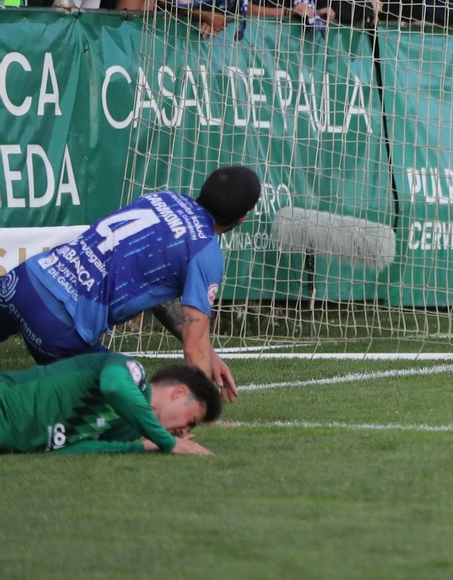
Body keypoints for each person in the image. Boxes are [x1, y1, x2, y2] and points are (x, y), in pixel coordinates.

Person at [0, 165, 259, 400]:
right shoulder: (206, 252)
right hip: (60, 325)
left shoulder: (164, 198)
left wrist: (207, 350)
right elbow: (194, 351)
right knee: (133, 391)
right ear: (242, 217)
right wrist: (203, 410)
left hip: (24, 280)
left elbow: (158, 295)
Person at [0, 356, 220, 455]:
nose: (184, 432)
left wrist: (141, 447)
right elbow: (114, 386)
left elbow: (65, 449)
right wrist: (167, 442)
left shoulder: (129, 430)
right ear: (179, 393)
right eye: (191, 422)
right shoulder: (133, 373)